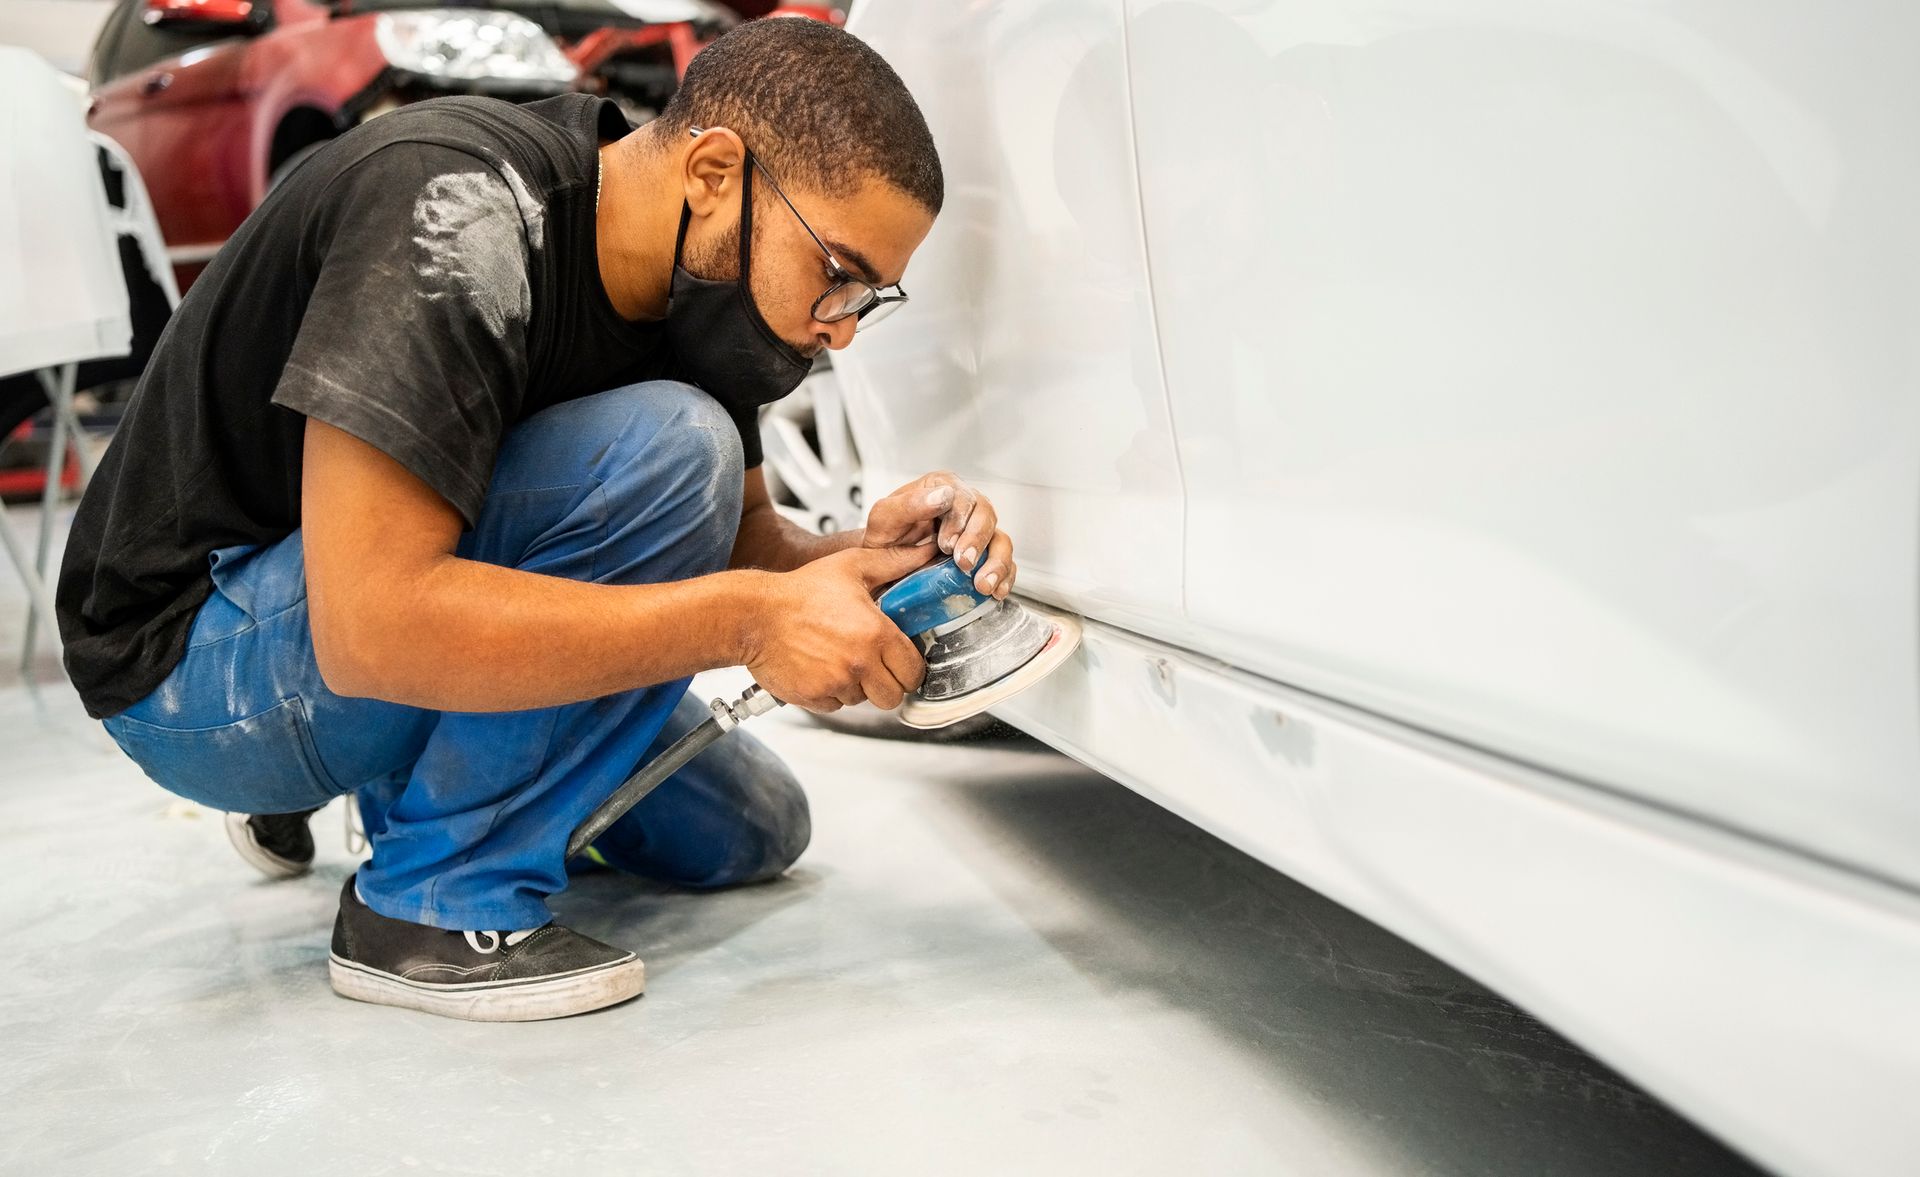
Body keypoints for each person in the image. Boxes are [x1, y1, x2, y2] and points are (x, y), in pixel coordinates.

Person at [55, 18, 1019, 1022]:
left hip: (361, 626)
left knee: (753, 829)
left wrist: (873, 563)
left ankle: (404, 784)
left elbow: (753, 559)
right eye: (836, 272)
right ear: (714, 171)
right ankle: (428, 905)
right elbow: (369, 628)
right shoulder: (456, 205)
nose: (843, 328)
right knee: (677, 445)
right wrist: (747, 623)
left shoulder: (701, 297)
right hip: (195, 664)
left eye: (872, 295)